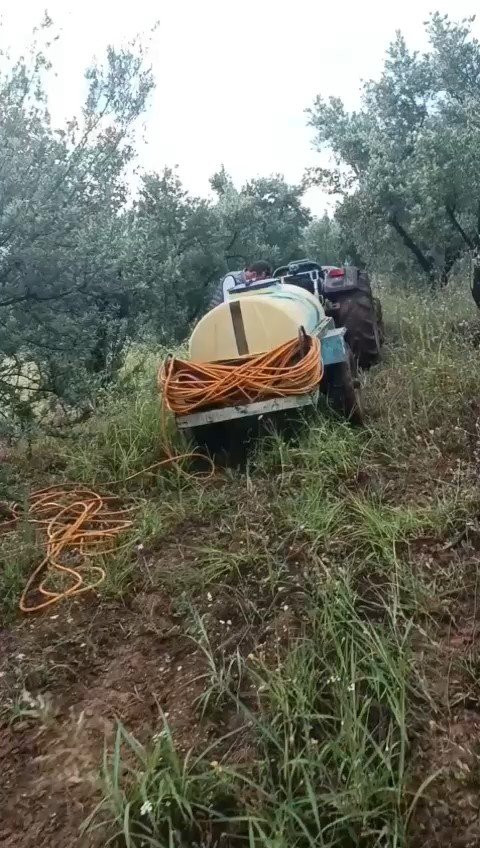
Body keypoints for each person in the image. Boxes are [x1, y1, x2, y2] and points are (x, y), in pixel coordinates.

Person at [209, 260, 273, 310]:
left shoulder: (249, 283)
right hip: (216, 317)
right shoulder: (231, 279)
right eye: (261, 280)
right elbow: (230, 305)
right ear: (254, 274)